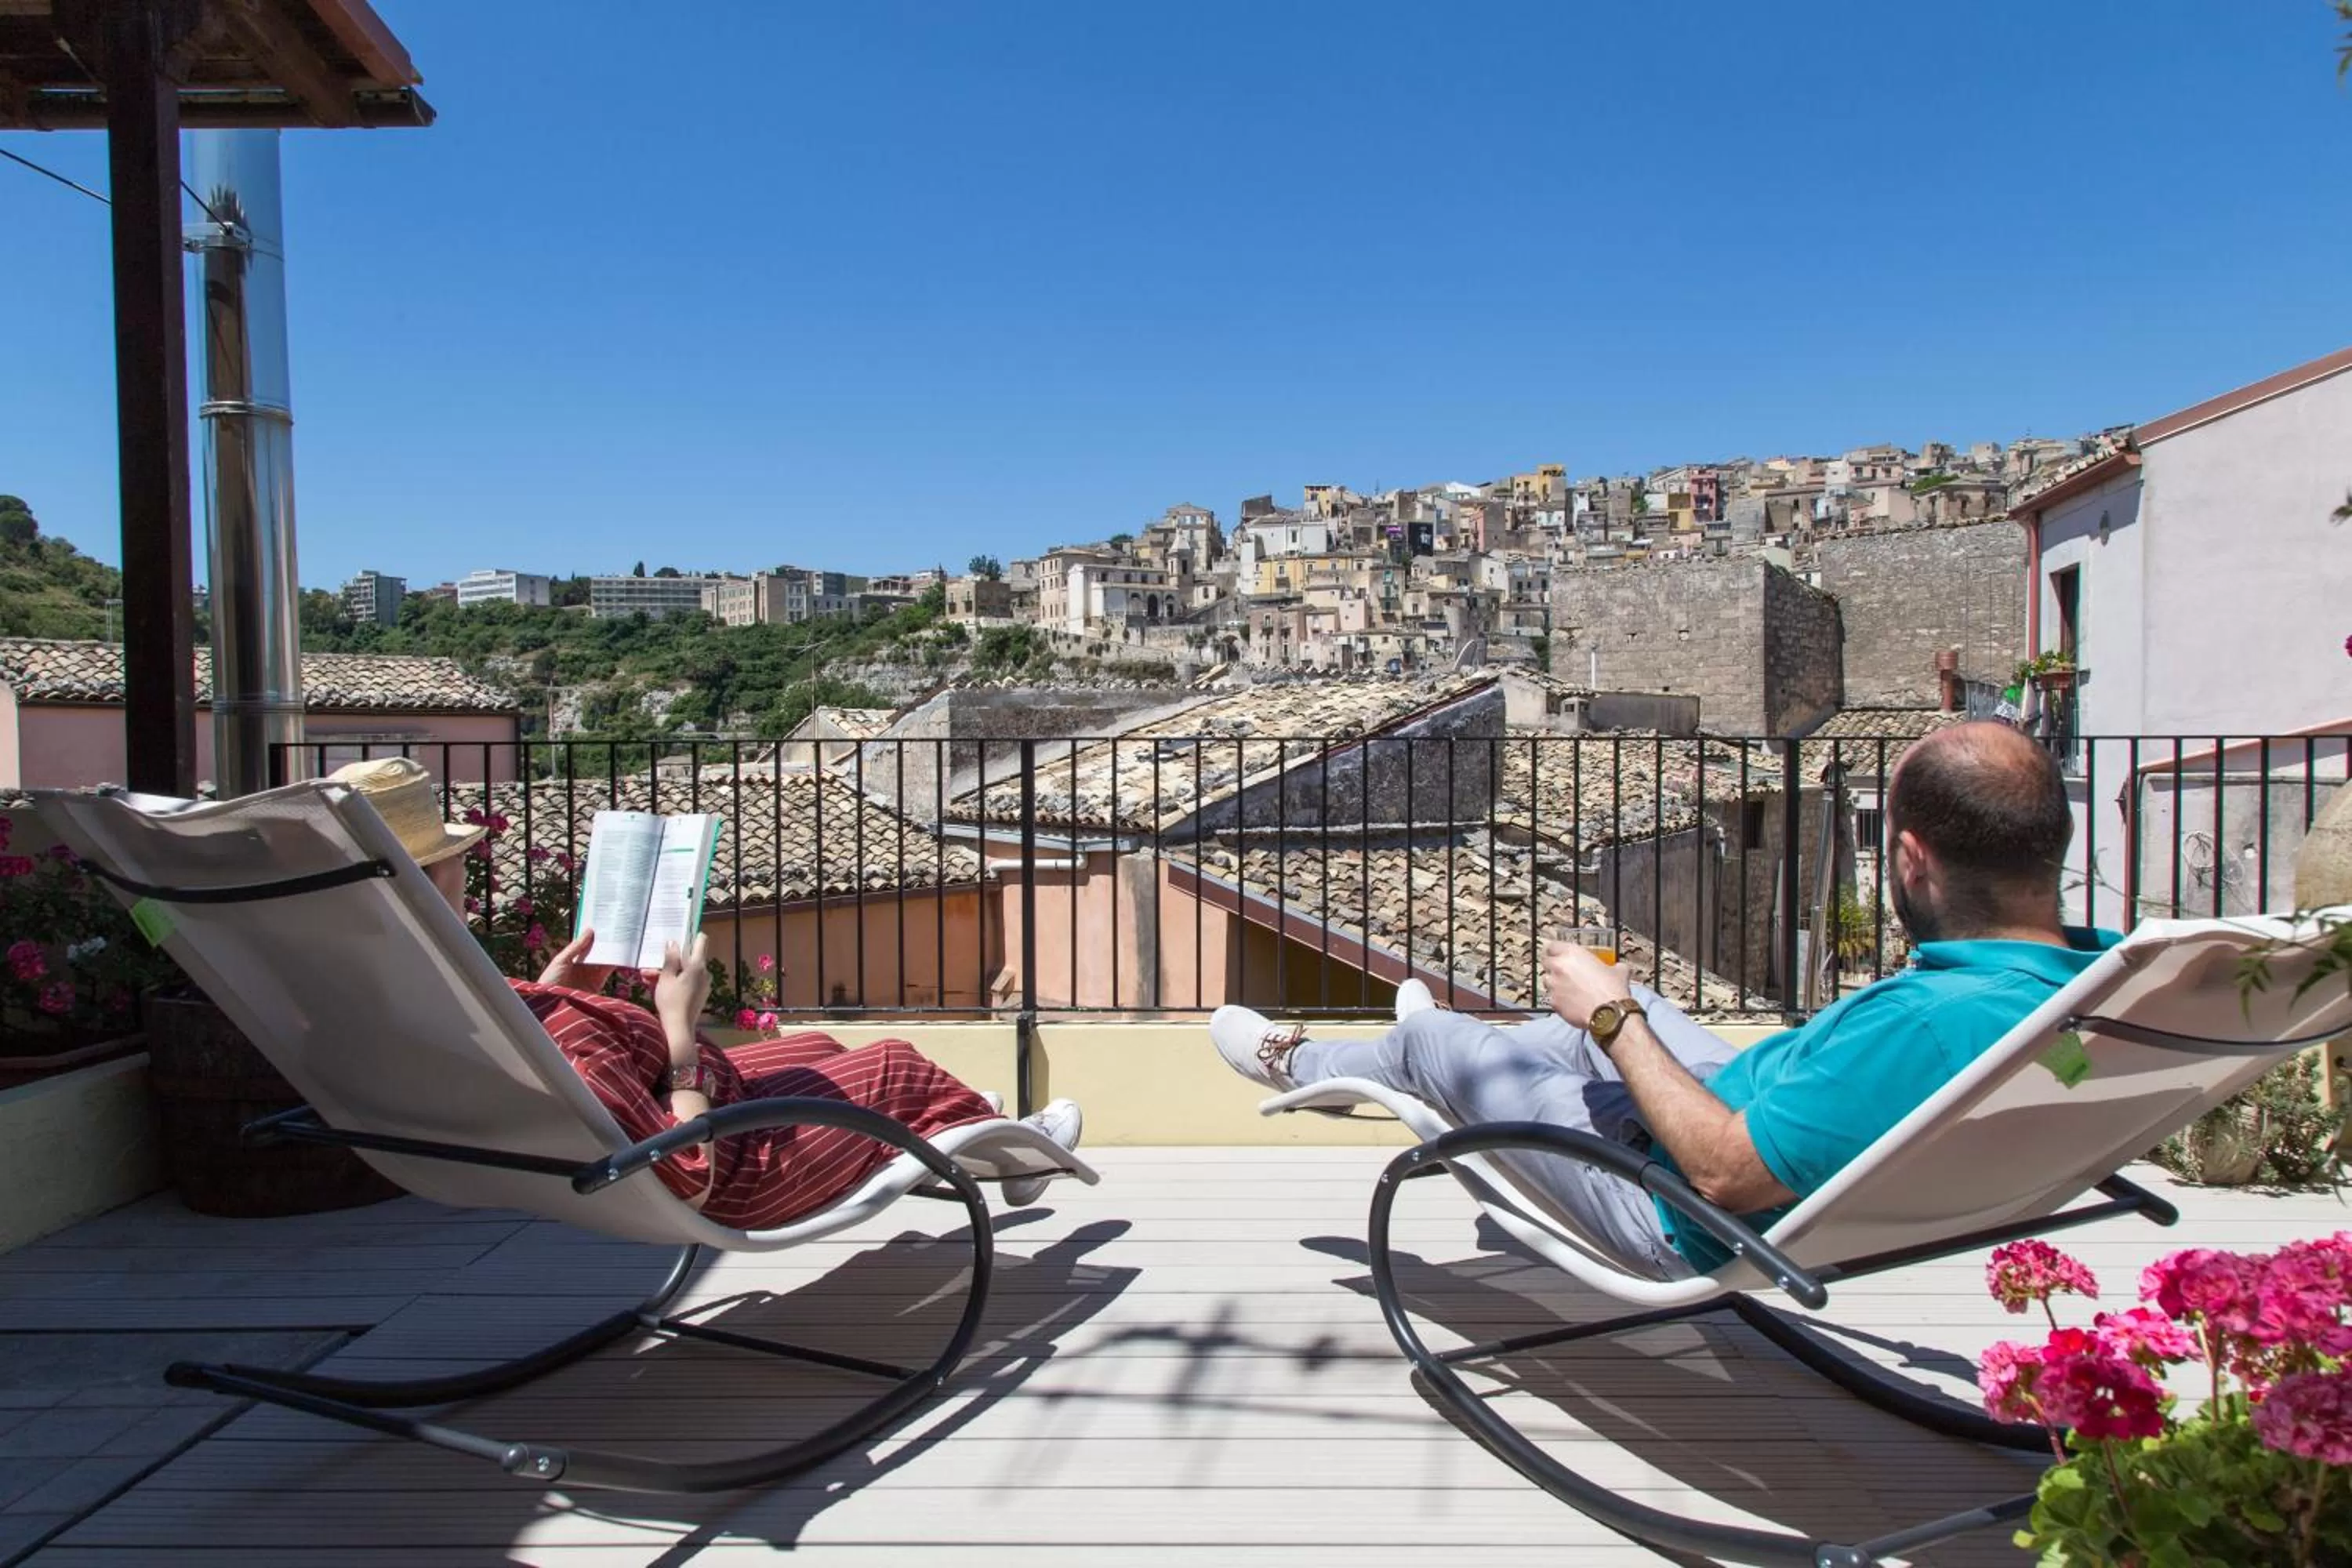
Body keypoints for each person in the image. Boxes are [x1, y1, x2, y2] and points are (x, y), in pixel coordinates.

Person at [1209, 720, 2116, 1279]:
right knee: (1581, 1021)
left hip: (1690, 1209)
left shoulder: (1928, 1019)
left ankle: (1313, 1058)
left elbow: (1724, 1173)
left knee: (1495, 1032)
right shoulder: (2097, 985)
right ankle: (1428, 1057)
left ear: (1910, 859)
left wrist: (1611, 1017)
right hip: (1760, 1110)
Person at [329, 758, 1083, 1224]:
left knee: (816, 1047)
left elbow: (548, 1052)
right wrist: (679, 1027)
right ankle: (1018, 1151)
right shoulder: (552, 1032)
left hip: (666, 1124)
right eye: (459, 858)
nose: (469, 870)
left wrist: (556, 989)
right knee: (891, 1062)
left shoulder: (403, 990)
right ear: (429, 882)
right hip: (733, 1171)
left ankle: (965, 1120)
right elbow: (685, 1178)